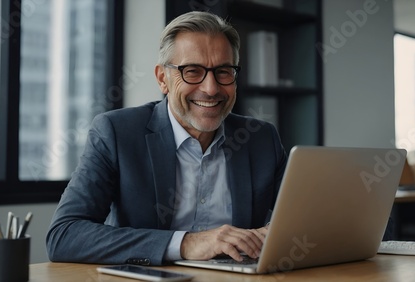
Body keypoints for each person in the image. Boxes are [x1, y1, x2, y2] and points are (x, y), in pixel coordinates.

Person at [46, 11, 288, 266]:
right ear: (163, 79)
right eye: (192, 71)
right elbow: (64, 235)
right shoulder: (116, 132)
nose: (211, 88)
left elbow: (308, 219)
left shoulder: (261, 139)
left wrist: (276, 232)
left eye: (224, 72)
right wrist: (187, 243)